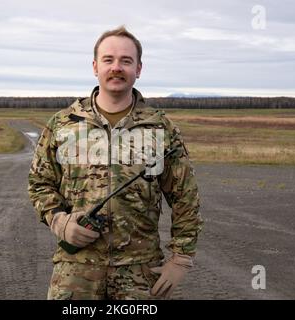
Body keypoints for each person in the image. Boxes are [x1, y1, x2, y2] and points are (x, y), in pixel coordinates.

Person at [28, 26, 203, 300]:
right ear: (95, 66)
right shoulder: (64, 124)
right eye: (108, 60)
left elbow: (185, 197)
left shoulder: (159, 127)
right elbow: (40, 184)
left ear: (139, 69)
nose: (116, 67)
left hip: (140, 273)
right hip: (75, 272)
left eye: (126, 61)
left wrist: (181, 257)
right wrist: (60, 222)